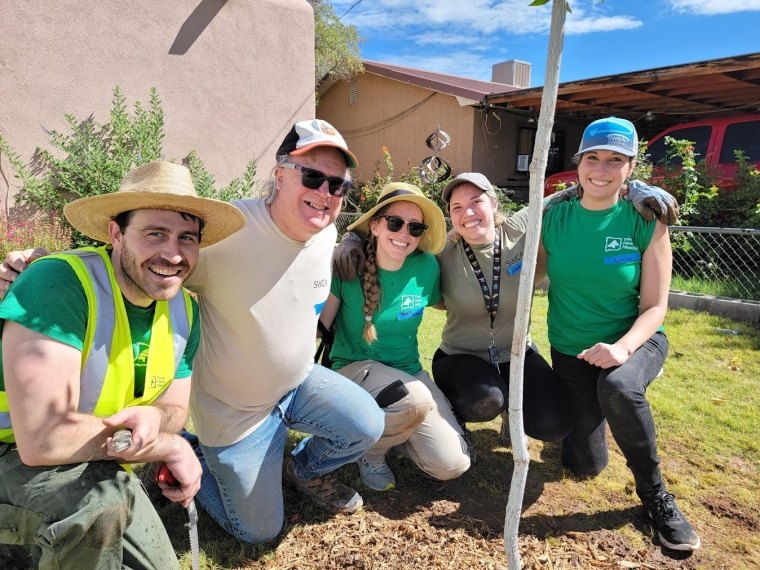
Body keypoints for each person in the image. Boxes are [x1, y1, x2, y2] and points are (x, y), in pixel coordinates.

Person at [0, 120, 386, 546]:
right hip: (235, 415)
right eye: (313, 176)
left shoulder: (325, 231)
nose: (326, 193)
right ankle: (200, 454)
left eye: (339, 185)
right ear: (279, 175)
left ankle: (301, 470)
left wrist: (353, 243)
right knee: (259, 532)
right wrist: (39, 263)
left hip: (297, 385)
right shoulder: (226, 238)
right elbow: (131, 260)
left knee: (367, 423)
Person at [0, 161, 245, 569]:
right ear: (116, 233)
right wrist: (168, 445)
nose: (173, 253)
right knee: (102, 505)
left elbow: (174, 411)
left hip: (96, 462)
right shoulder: (60, 283)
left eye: (187, 238)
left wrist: (154, 420)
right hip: (13, 458)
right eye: (155, 234)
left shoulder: (184, 310)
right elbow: (41, 440)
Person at [334, 173, 678, 459]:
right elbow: (391, 236)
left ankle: (513, 418)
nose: (468, 213)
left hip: (517, 353)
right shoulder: (442, 253)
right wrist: (349, 239)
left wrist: (636, 188)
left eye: (476, 202)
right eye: (457, 208)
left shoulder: (520, 230)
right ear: (450, 217)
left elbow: (577, 189)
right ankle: (453, 414)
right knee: (486, 400)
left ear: (494, 204)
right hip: (462, 357)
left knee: (555, 425)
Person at [539, 117, 700, 551]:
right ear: (578, 163)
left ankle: (656, 496)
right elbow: (522, 273)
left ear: (631, 168)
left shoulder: (646, 219)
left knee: (619, 387)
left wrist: (622, 347)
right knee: (584, 467)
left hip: (636, 341)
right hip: (572, 352)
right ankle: (600, 416)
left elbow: (655, 307)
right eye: (593, 158)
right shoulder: (554, 217)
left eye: (616, 160)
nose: (602, 169)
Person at [319, 182, 470, 491]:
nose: (404, 234)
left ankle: (393, 430)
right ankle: (370, 454)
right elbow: (320, 326)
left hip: (407, 371)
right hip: (353, 368)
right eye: (395, 222)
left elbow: (445, 297)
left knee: (453, 464)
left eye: (415, 228)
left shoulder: (426, 268)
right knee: (415, 398)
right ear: (375, 225)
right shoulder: (348, 265)